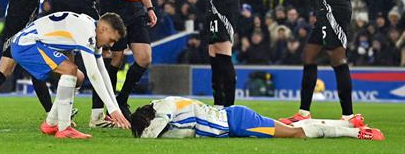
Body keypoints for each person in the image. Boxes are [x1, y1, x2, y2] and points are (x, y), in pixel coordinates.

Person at [11, 11, 130, 138]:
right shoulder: (87, 31)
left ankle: (50, 123)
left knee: (78, 77)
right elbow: (93, 73)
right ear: (103, 29)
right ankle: (64, 128)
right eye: (111, 40)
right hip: (26, 44)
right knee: (70, 70)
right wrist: (112, 109)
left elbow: (102, 72)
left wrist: (115, 109)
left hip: (30, 43)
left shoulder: (92, 29)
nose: (111, 45)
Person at [130, 96, 384, 141]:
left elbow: (158, 126)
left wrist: (142, 135)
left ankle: (356, 133)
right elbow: (180, 132)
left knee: (296, 133)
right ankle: (349, 123)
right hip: (234, 117)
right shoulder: (170, 106)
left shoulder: (165, 107)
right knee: (292, 126)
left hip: (237, 122)